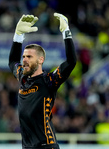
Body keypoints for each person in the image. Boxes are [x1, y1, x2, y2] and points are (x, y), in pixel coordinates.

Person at [8, 13, 77, 149]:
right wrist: (18, 35)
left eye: (29, 56)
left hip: (46, 145)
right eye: (24, 56)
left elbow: (71, 62)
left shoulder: (49, 80)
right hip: (27, 146)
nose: (25, 60)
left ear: (41, 60)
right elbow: (12, 61)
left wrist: (66, 32)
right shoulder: (22, 77)